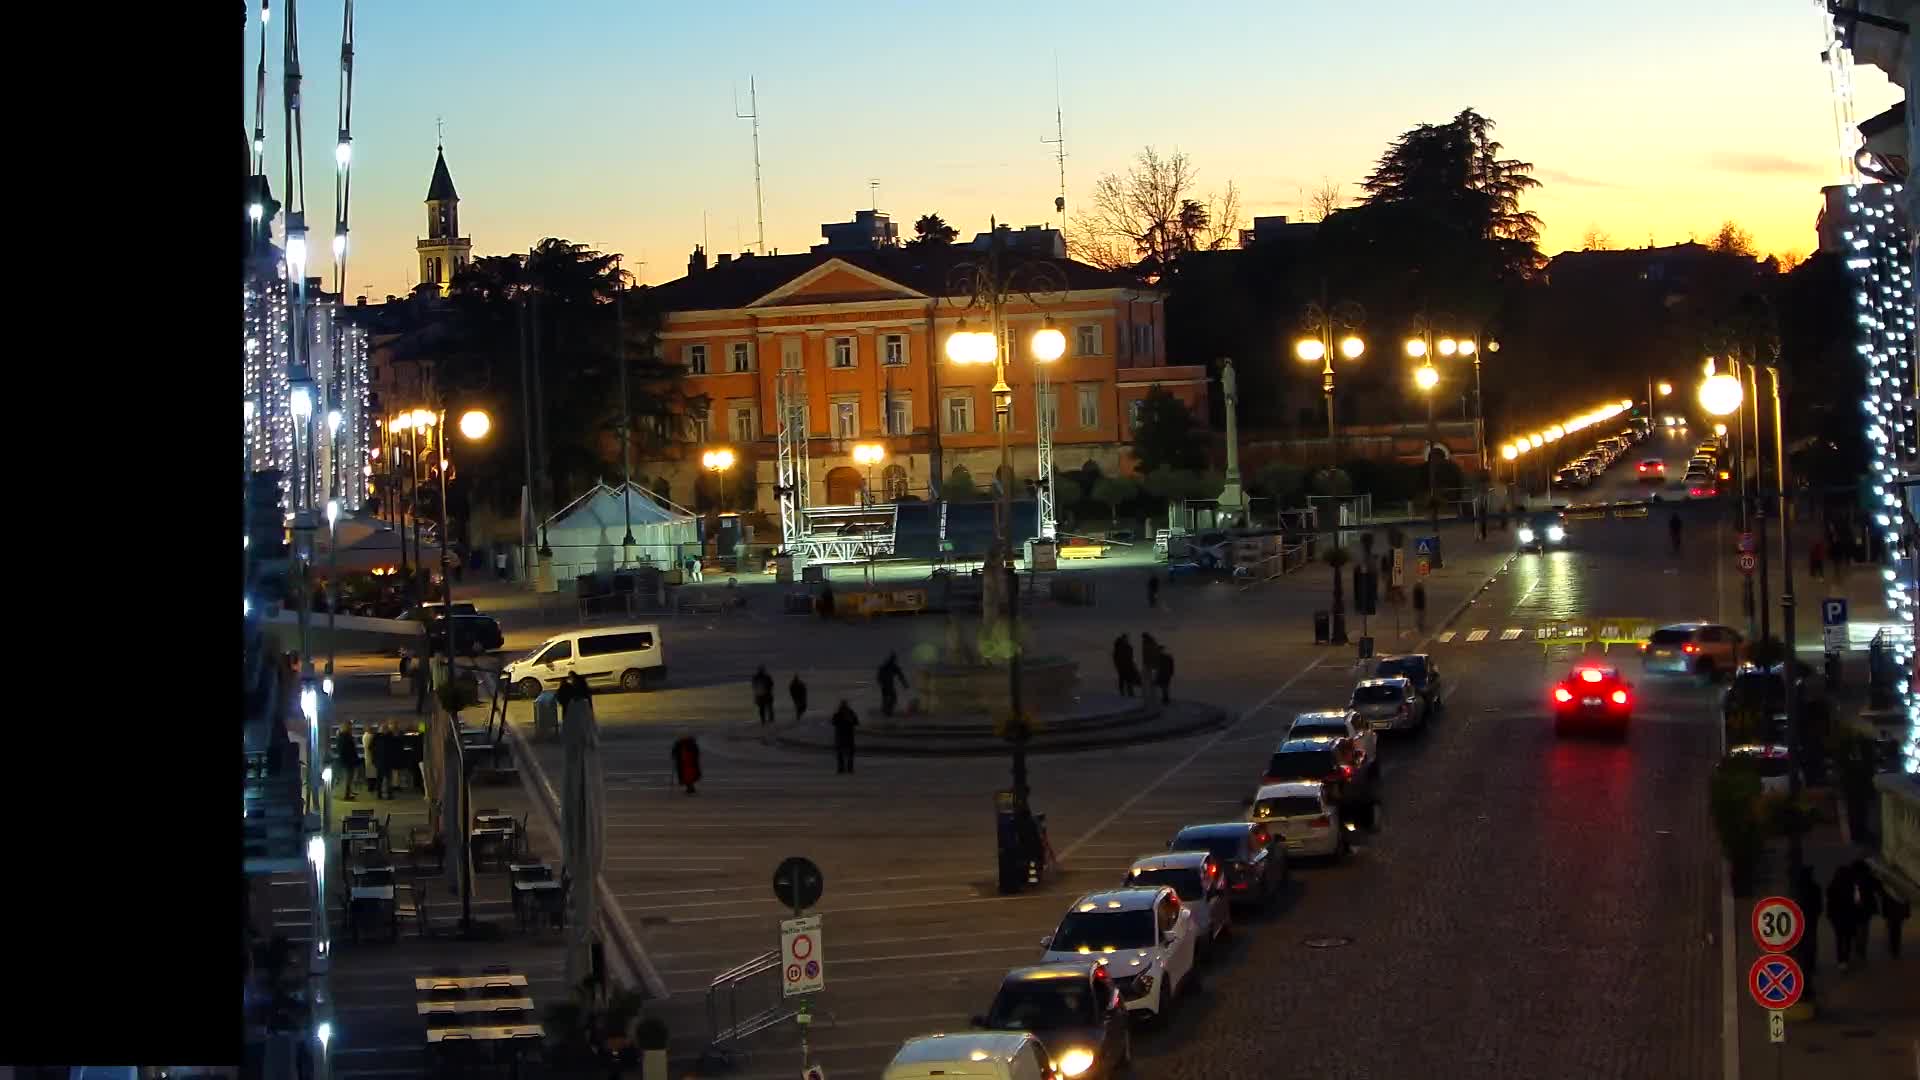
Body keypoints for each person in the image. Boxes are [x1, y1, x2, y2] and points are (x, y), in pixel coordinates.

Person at [1792, 865, 1824, 974]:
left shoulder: (1797, 888)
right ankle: (1810, 962)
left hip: (1800, 918)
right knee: (1811, 941)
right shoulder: (1815, 888)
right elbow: (1819, 904)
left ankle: (1803, 962)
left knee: (1802, 941)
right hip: (1811, 918)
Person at [1827, 864, 1859, 973]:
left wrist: (1830, 916)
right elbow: (1857, 901)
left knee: (1839, 939)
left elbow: (1830, 903)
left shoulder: (1832, 886)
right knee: (1848, 939)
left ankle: (1841, 960)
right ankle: (1846, 959)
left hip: (1837, 917)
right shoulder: (1852, 886)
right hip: (1849, 916)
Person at [1851, 858, 1880, 965]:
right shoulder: (1869, 878)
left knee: (1856, 927)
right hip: (1866, 907)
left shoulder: (1851, 877)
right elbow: (1877, 887)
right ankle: (1861, 950)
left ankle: (1857, 948)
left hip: (1853, 907)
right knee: (1864, 928)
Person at [831, 700, 860, 774]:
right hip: (847, 736)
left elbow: (833, 722)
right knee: (848, 753)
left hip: (842, 736)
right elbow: (856, 722)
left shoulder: (839, 713)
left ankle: (842, 768)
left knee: (842, 753)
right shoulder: (849, 713)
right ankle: (847, 768)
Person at [877, 653, 909, 717]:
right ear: (893, 659)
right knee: (893, 698)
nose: (895, 661)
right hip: (887, 685)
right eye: (895, 659)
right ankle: (887, 711)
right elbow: (900, 676)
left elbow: (900, 676)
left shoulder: (887, 666)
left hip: (885, 685)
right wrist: (905, 684)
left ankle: (886, 710)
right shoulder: (892, 666)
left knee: (887, 698)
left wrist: (905, 684)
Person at [334, 722, 360, 801]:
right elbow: (349, 750)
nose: (351, 728)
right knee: (348, 778)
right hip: (348, 760)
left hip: (345, 760)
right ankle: (346, 795)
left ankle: (347, 793)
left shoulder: (341, 737)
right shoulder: (346, 737)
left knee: (347, 778)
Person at [362, 721, 381, 800]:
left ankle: (370, 787)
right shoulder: (370, 736)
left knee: (369, 773)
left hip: (367, 757)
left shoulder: (364, 736)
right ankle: (372, 787)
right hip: (372, 757)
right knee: (373, 773)